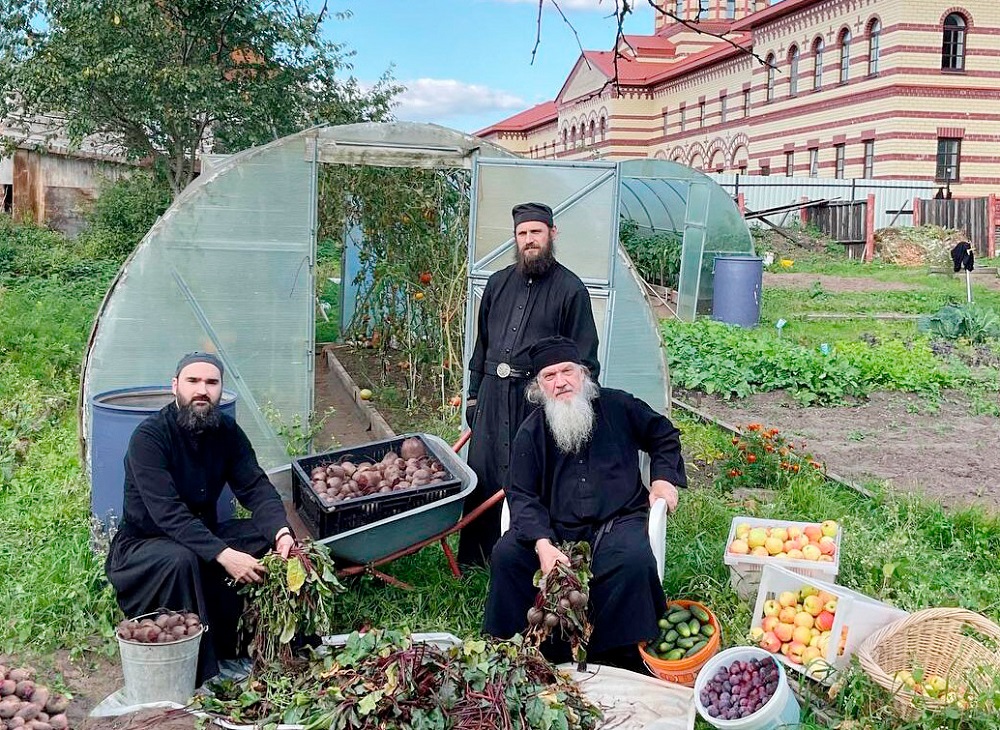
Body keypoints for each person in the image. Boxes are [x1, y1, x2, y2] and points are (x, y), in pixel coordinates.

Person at [483, 336, 687, 670]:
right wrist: (543, 544)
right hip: (553, 528)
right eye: (549, 376)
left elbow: (663, 434)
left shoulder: (619, 406)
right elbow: (521, 493)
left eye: (567, 371)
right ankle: (526, 652)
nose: (560, 382)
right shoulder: (531, 432)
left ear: (583, 374)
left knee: (632, 560)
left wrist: (662, 479)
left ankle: (617, 659)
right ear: (538, 387)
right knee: (507, 555)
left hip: (618, 520)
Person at [105, 352, 295, 683]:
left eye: (211, 382)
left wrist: (281, 533)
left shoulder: (227, 432)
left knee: (263, 539)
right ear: (175, 386)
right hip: (145, 546)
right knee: (181, 559)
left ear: (221, 389)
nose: (202, 390)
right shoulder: (150, 438)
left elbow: (255, 487)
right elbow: (168, 514)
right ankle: (200, 671)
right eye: (193, 381)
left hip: (202, 536)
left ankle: (253, 644)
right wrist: (224, 554)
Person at [459, 202, 600, 567]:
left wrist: (569, 405)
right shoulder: (497, 284)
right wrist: (473, 397)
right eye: (522, 233)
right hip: (492, 397)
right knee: (485, 475)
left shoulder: (571, 290)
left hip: (537, 401)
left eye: (536, 232)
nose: (529, 240)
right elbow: (481, 347)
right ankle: (477, 560)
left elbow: (585, 360)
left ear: (552, 233)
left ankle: (530, 557)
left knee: (533, 478)